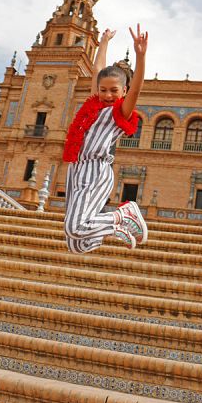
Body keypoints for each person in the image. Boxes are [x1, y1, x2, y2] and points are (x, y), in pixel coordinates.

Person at [62, 25, 149, 253]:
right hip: (75, 169)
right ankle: (115, 228)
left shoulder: (120, 111)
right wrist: (104, 42)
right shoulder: (94, 104)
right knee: (76, 244)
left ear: (123, 91)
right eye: (103, 90)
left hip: (95, 170)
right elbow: (98, 69)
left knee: (76, 227)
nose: (108, 95)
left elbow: (137, 89)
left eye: (114, 90)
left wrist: (140, 56)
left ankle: (123, 215)